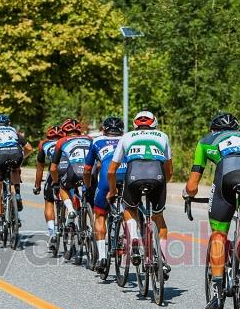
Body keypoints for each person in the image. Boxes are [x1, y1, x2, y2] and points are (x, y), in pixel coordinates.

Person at [184, 113, 240, 309]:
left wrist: (188, 193)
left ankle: (217, 294)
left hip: (227, 176)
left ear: (214, 130)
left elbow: (193, 184)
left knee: (219, 234)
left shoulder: (205, 142)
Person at [107, 111, 172, 278]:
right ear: (154, 124)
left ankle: (134, 236)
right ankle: (163, 261)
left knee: (129, 208)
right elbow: (169, 169)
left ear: (135, 125)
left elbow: (112, 170)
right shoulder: (162, 136)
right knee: (159, 219)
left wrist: (113, 191)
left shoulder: (127, 136)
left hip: (134, 175)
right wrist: (163, 183)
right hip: (157, 175)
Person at [0, 114, 33, 240]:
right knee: (15, 169)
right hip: (16, 153)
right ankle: (18, 195)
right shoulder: (13, 130)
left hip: (0, 156)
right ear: (8, 123)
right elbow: (29, 148)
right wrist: (21, 158)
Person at [84, 116, 126, 273]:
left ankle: (102, 257)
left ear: (103, 129)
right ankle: (127, 235)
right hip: (128, 175)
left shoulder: (97, 141)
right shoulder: (127, 138)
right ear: (122, 130)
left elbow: (88, 169)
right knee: (130, 211)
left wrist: (88, 186)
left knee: (100, 215)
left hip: (108, 178)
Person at [50, 118, 92, 224]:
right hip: (90, 171)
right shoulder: (90, 139)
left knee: (62, 187)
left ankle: (71, 210)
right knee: (90, 192)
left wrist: (55, 183)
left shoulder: (62, 141)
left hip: (74, 171)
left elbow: (53, 168)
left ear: (64, 132)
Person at [34, 125, 63, 251]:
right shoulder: (66, 142)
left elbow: (40, 167)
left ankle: (52, 232)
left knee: (49, 202)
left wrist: (37, 185)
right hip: (69, 171)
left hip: (53, 173)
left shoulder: (44, 144)